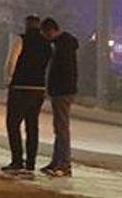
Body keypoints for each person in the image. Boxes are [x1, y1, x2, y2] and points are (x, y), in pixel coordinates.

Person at [2, 15, 51, 173]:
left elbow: (11, 62)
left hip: (20, 87)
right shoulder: (46, 44)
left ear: (26, 25)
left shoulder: (20, 40)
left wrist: (8, 79)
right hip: (38, 89)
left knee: (13, 123)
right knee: (32, 125)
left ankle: (17, 160)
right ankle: (31, 162)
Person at [41, 17, 78, 177]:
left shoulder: (63, 46)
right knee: (59, 128)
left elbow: (61, 71)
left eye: (45, 33)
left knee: (62, 129)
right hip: (61, 90)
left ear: (50, 30)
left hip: (63, 91)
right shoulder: (63, 45)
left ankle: (64, 164)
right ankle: (56, 162)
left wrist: (54, 88)